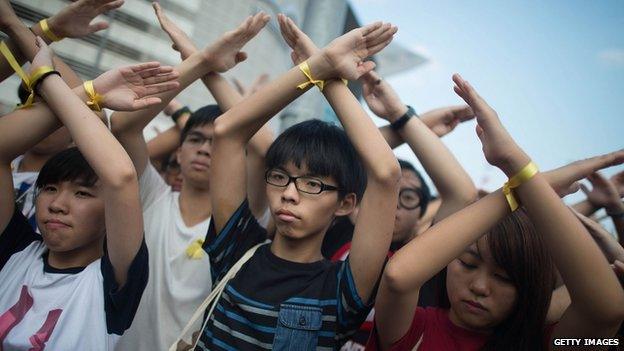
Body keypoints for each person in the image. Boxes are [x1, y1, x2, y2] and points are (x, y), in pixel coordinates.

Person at [173, 20, 399, 350]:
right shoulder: (236, 250)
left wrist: (328, 79)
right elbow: (227, 132)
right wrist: (317, 66)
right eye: (279, 178)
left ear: (346, 203)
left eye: (312, 185)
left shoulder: (341, 290)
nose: (289, 195)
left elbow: (385, 174)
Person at [368, 74, 624, 350]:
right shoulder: (415, 328)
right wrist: (521, 177)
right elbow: (397, 276)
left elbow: (606, 311)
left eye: (504, 277)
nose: (479, 287)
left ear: (534, 284)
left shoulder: (544, 342)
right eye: (467, 263)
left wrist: (520, 173)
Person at [0, 13, 178, 347]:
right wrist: (90, 92)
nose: (58, 205)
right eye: (49, 188)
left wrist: (47, 78)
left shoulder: (111, 283)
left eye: (82, 193)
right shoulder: (15, 253)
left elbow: (121, 176)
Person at [113, 11, 272, 351]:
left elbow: (262, 147)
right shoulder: (150, 196)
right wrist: (200, 60)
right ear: (178, 152)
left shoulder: (240, 222)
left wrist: (205, 64)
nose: (204, 150)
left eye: (217, 143)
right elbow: (124, 126)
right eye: (196, 140)